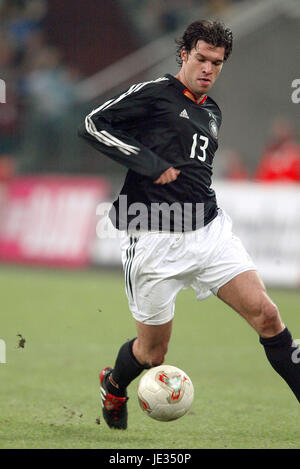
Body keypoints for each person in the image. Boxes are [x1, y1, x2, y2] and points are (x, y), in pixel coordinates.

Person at [78, 20, 300, 430]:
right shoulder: (154, 94)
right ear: (183, 55)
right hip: (154, 239)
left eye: (217, 63)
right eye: (201, 58)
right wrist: (148, 163)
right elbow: (93, 124)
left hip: (209, 232)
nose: (208, 69)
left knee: (268, 316)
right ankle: (114, 383)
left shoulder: (211, 111)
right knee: (152, 355)